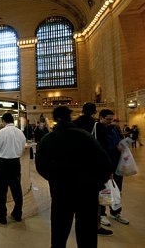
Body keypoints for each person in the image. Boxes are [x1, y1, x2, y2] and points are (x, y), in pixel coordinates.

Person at [36, 106, 111, 248]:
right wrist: (96, 183)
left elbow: (40, 166)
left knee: (59, 231)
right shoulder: (85, 136)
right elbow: (105, 163)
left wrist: (54, 178)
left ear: (55, 119)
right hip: (87, 192)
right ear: (70, 117)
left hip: (61, 192)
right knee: (87, 232)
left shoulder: (48, 139)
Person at [74, 102, 113, 236]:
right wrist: (108, 170)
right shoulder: (98, 126)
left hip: (76, 168)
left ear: (82, 111)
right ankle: (95, 226)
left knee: (79, 198)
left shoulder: (74, 125)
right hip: (93, 168)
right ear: (95, 112)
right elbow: (104, 150)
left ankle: (80, 224)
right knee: (95, 199)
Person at [96, 109, 130, 226]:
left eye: (112, 119)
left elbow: (118, 141)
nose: (110, 121)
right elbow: (102, 148)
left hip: (117, 164)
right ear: (101, 118)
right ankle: (102, 214)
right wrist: (116, 148)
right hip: (106, 165)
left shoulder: (114, 129)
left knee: (117, 190)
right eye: (108, 119)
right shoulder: (98, 129)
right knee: (106, 190)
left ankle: (116, 212)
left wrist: (123, 144)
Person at [0, 112, 26, 224]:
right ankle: (18, 214)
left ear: (3, 121)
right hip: (16, 163)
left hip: (3, 164)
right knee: (17, 190)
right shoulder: (20, 132)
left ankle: (2, 216)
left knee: (1, 191)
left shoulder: (2, 132)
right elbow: (22, 147)